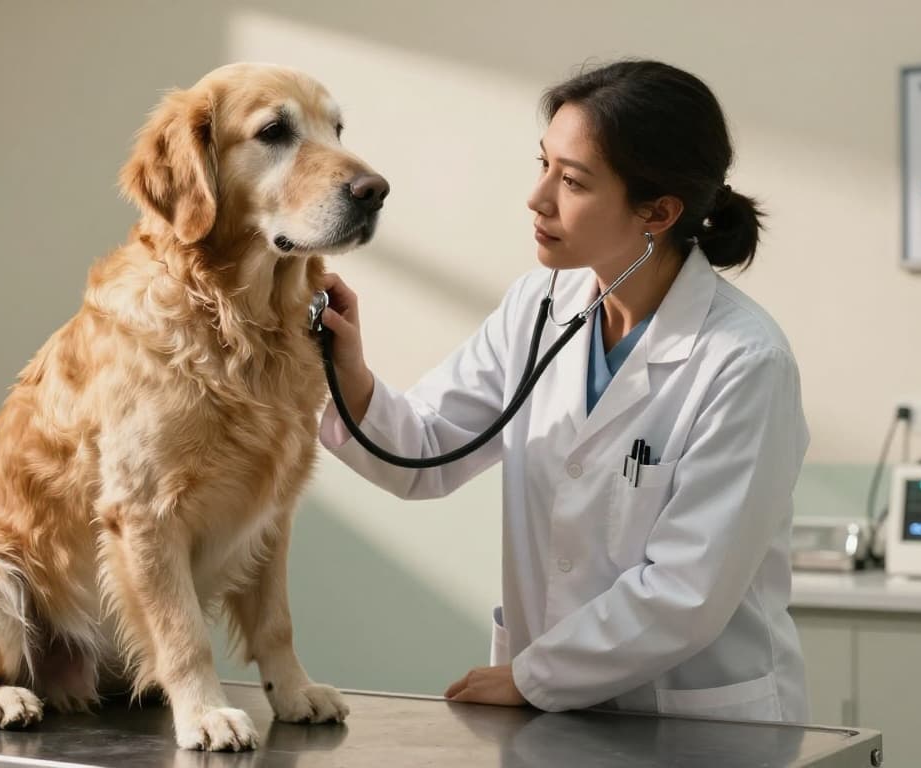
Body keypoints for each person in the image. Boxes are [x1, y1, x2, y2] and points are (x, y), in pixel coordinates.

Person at [316, 59, 811, 723]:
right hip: (558, 718)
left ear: (657, 211)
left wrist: (532, 678)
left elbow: (685, 591)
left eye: (572, 180)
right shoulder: (538, 305)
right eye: (543, 164)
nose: (538, 196)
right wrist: (347, 370)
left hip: (694, 724)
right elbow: (427, 453)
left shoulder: (745, 362)